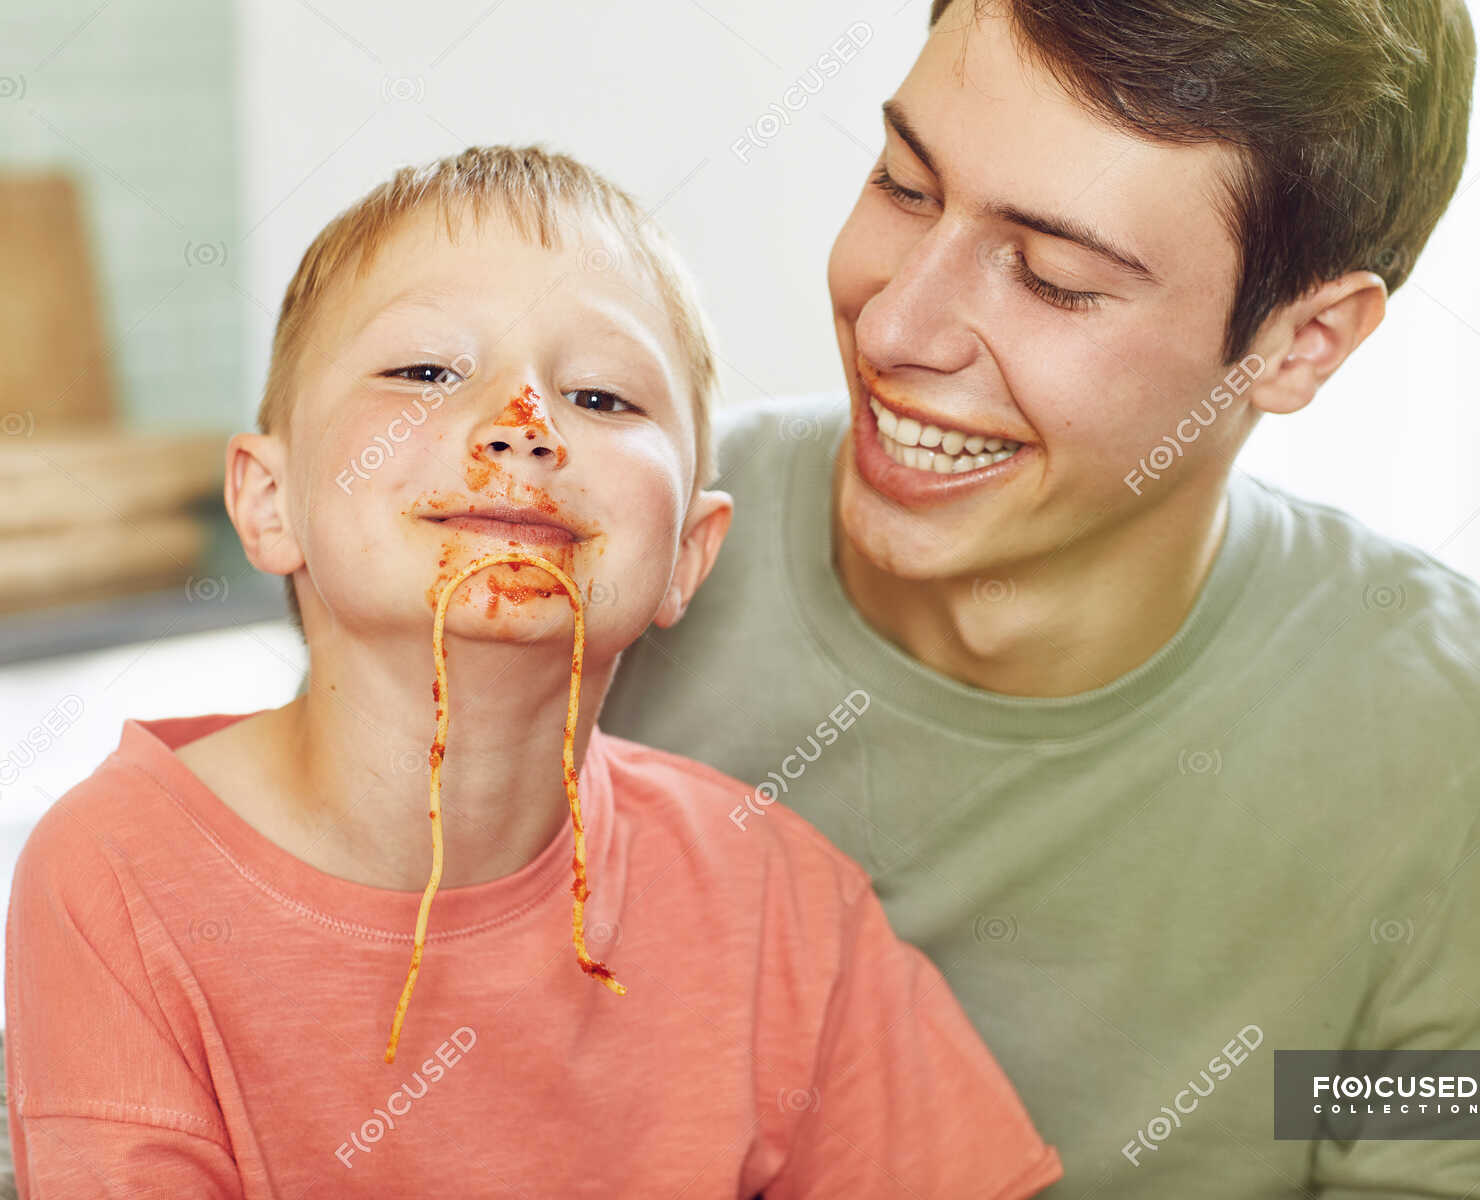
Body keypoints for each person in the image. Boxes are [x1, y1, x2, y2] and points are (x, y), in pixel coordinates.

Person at [606, 2, 1480, 1196]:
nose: (894, 324)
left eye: (1055, 280)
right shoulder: (583, 558)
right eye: (905, 186)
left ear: (1304, 341)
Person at [3, 146, 1062, 1199]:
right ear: (268, 501)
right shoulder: (113, 879)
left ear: (688, 555)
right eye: (424, 372)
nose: (522, 429)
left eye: (602, 396)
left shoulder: (778, 901)